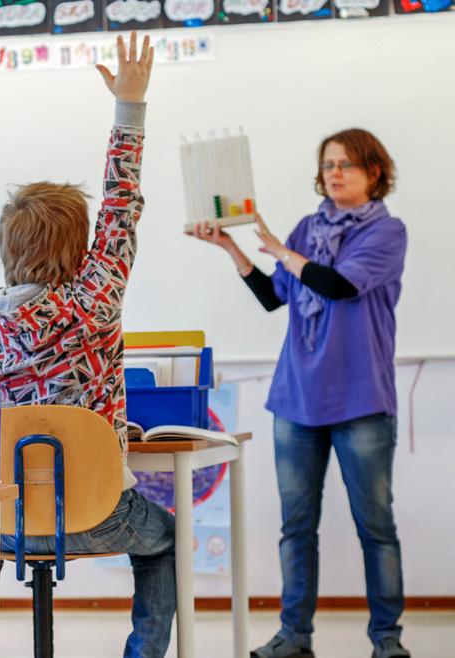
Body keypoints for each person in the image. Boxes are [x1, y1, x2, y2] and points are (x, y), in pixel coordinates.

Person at [0, 33, 177, 658]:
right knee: (165, 540)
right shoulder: (96, 300)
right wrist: (131, 106)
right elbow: (122, 205)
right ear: (82, 252)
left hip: (9, 520)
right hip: (100, 512)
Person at [187, 128, 409, 658]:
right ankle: (294, 637)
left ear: (374, 173)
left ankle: (387, 640)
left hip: (362, 401)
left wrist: (282, 250)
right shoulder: (308, 229)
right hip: (297, 401)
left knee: (375, 527)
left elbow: (338, 285)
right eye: (329, 164)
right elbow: (273, 296)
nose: (334, 174)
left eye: (348, 165)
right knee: (296, 527)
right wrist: (232, 246)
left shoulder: (387, 232)